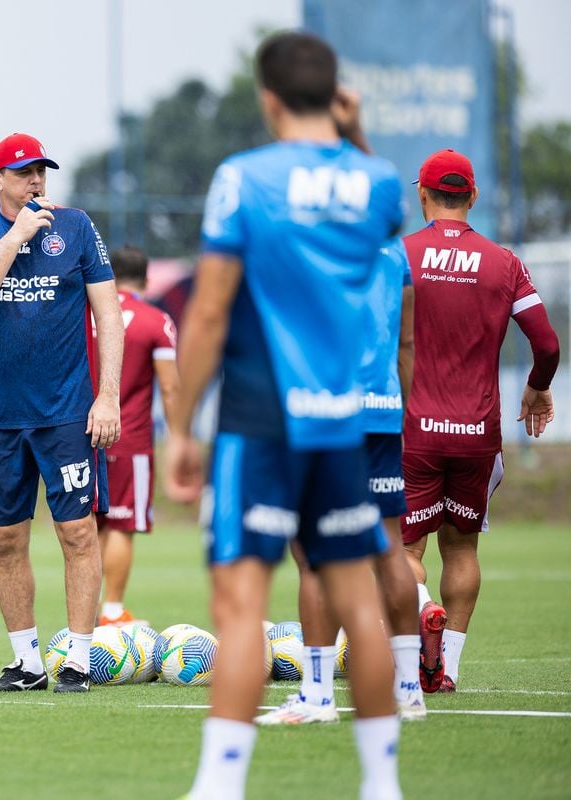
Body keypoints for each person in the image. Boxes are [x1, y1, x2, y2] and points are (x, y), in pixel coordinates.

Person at [165, 33, 405, 799]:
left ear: (269, 99)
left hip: (259, 423)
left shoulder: (244, 180)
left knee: (241, 608)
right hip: (339, 424)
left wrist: (180, 428)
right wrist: (354, 131)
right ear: (337, 97)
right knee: (358, 604)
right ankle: (380, 783)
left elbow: (206, 315)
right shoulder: (377, 180)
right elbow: (384, 212)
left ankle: (220, 785)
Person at [257, 88, 426, 725]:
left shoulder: (308, 233)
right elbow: (407, 340)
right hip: (382, 409)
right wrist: (402, 410)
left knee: (313, 555)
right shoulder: (390, 246)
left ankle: (320, 694)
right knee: (387, 546)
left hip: (322, 410)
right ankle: (408, 690)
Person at [0, 133, 124, 693]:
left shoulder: (75, 227)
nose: (36, 182)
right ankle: (27, 662)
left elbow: (110, 314)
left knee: (77, 530)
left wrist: (109, 394)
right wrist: (18, 235)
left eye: (41, 172)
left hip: (67, 411)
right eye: (23, 174)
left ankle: (78, 657)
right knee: (3, 538)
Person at [400, 148, 560, 693]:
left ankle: (421, 613)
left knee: (403, 552)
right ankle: (447, 671)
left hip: (412, 431)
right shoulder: (505, 263)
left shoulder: (398, 256)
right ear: (472, 196)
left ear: (421, 194)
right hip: (477, 432)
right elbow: (547, 342)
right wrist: (537, 389)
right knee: (462, 549)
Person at [93, 245, 179, 627]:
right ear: (146, 279)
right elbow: (172, 389)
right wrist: (179, 437)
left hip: (85, 435)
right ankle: (112, 610)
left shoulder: (88, 317)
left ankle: (86, 612)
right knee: (122, 525)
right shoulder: (155, 321)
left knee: (90, 525)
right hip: (131, 441)